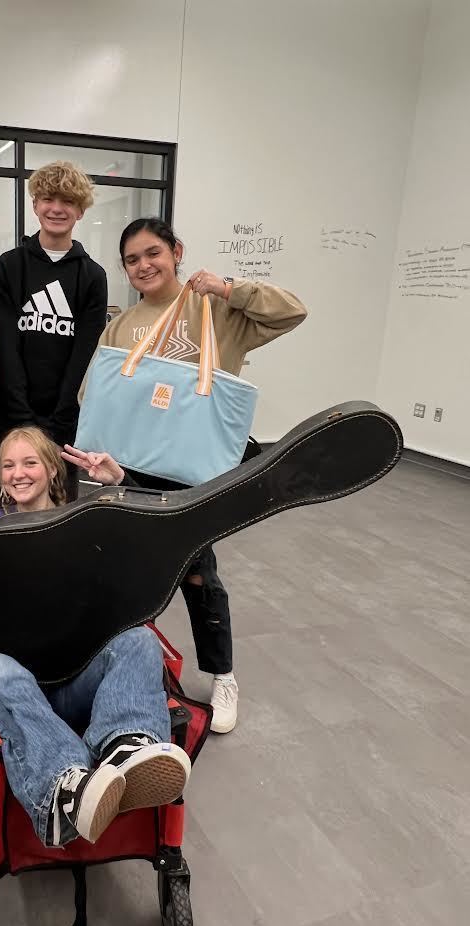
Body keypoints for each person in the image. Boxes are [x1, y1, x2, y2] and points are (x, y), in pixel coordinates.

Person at [77, 217, 308, 735]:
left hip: (197, 471)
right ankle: (132, 667)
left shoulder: (219, 311)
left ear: (177, 251)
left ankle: (222, 674)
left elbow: (293, 311)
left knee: (199, 573)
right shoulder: (122, 326)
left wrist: (227, 287)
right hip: (132, 468)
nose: (144, 266)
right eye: (132, 259)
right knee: (130, 571)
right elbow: (93, 396)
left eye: (153, 253)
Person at [0, 426, 190, 847]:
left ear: (51, 469)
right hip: (21, 687)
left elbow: (155, 535)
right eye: (8, 465)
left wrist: (120, 485)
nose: (17, 473)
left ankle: (127, 748)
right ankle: (65, 789)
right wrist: (15, 584)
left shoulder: (79, 520)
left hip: (79, 677)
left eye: (29, 463)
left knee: (138, 640)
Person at [0, 161, 108, 507]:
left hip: (64, 421)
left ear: (80, 210)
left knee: (57, 516)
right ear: (35, 204)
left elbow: (84, 356)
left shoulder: (92, 277)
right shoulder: (11, 265)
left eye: (68, 201)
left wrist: (56, 425)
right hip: (10, 414)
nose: (57, 208)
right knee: (2, 512)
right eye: (48, 199)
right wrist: (24, 420)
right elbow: (7, 346)